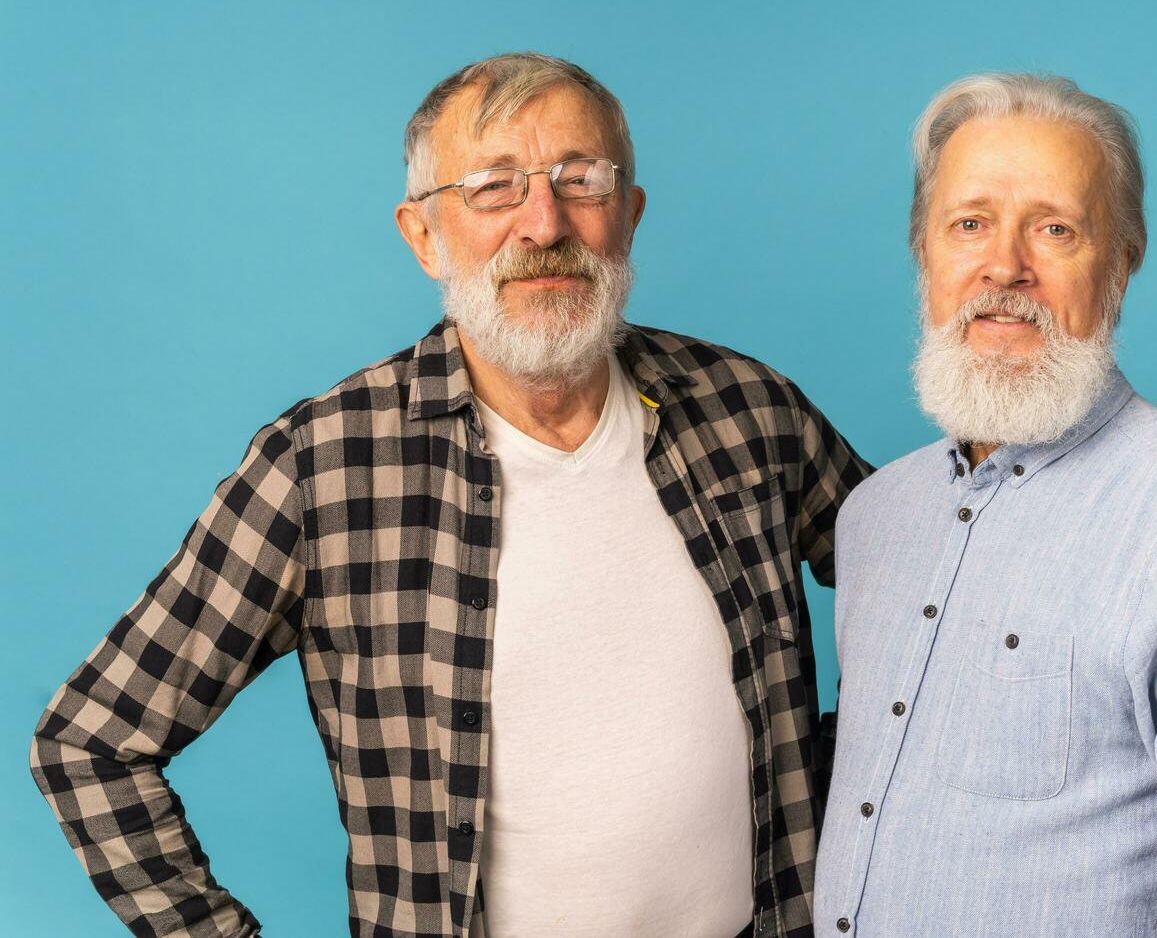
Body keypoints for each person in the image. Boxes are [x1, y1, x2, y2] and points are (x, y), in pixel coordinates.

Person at [32, 51, 870, 938]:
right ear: (422, 234)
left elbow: (939, 607)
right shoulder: (323, 465)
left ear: (628, 214)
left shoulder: (751, 412)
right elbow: (90, 743)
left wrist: (839, 780)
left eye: (578, 180)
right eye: (493, 188)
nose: (543, 223)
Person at [812, 73, 1157, 936]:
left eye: (1055, 229)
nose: (1005, 265)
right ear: (924, 251)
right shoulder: (876, 515)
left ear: (1122, 262)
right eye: (970, 223)